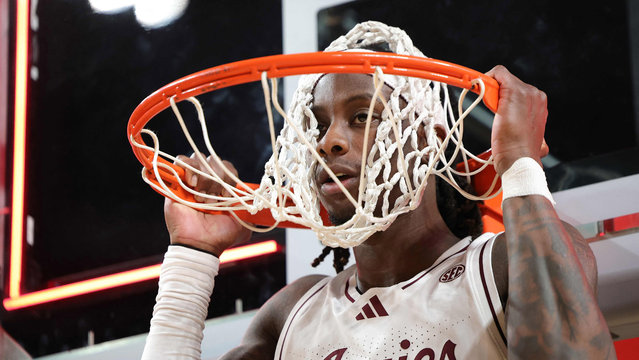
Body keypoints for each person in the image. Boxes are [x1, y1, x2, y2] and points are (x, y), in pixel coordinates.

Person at [142, 22, 616, 359]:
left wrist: (520, 167)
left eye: (362, 116)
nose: (328, 141)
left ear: (427, 140)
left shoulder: (501, 264)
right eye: (317, 124)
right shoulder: (292, 314)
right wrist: (192, 254)